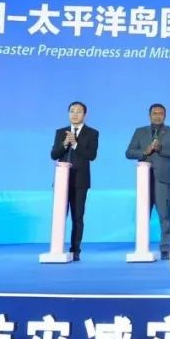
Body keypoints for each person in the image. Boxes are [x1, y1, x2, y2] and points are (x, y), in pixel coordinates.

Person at [125, 103, 170, 260]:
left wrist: (160, 148)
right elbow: (129, 153)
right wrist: (145, 151)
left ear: (165, 115)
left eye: (160, 113)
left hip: (162, 180)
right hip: (144, 179)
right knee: (143, 214)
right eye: (154, 113)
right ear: (149, 115)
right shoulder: (140, 132)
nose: (157, 116)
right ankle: (142, 247)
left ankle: (165, 247)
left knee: (164, 215)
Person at [49, 101, 99, 262]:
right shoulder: (60, 132)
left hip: (80, 181)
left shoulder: (92, 133)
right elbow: (54, 155)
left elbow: (91, 155)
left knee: (77, 217)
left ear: (85, 114)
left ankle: (75, 249)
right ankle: (57, 248)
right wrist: (65, 143)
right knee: (59, 215)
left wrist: (76, 144)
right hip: (62, 181)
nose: (75, 114)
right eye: (72, 111)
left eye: (78, 111)